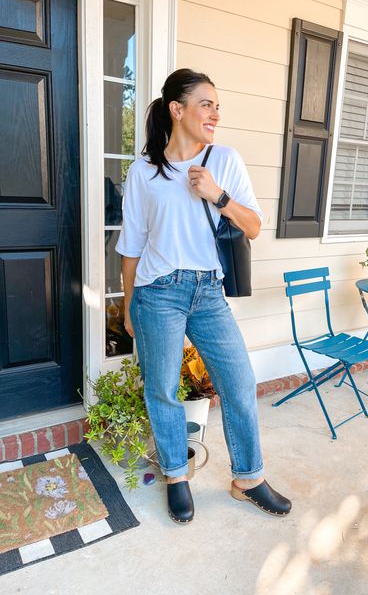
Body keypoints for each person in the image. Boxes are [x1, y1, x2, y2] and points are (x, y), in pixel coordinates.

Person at [116, 68, 291, 524]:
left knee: (238, 383)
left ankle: (248, 478)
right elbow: (131, 247)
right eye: (206, 104)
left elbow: (252, 227)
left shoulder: (225, 160)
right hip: (157, 293)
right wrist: (126, 303)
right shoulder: (143, 173)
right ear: (177, 110)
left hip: (208, 292)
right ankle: (177, 476)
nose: (215, 113)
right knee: (162, 389)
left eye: (217, 105)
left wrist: (217, 195)